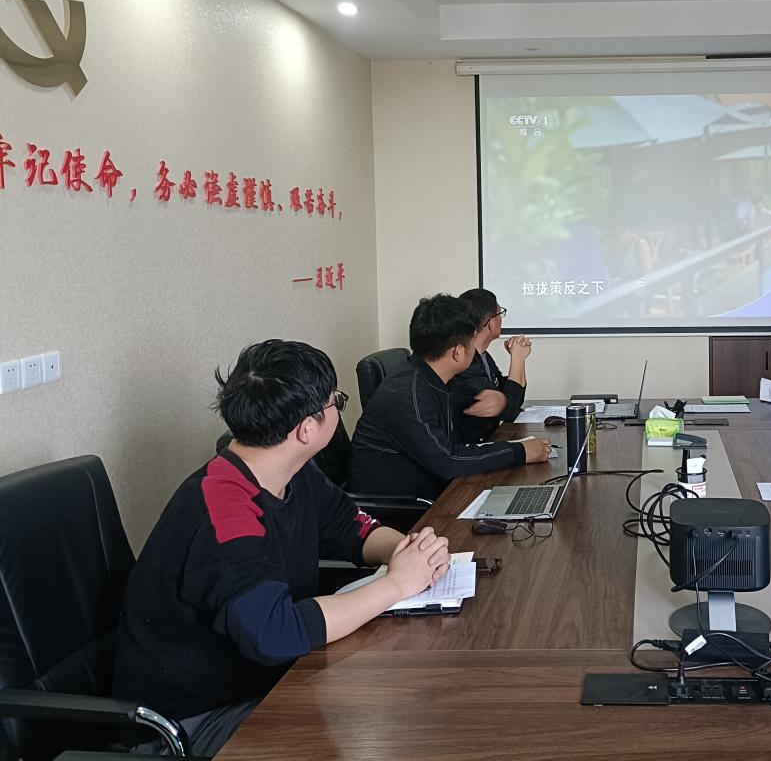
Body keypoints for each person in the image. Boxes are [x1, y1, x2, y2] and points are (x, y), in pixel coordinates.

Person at [112, 340, 452, 756]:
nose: (338, 409)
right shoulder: (223, 506)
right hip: (192, 721)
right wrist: (397, 585)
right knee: (386, 724)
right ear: (306, 429)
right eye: (336, 402)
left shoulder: (289, 471)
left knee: (404, 703)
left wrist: (409, 552)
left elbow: (350, 528)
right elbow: (273, 633)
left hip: (266, 680)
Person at [349, 294, 551, 503]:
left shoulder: (430, 375)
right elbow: (448, 460)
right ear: (457, 353)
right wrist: (520, 452)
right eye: (472, 342)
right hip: (403, 508)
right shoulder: (410, 394)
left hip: (434, 486)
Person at [451, 288, 531, 443]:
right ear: (490, 322)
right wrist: (517, 358)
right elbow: (508, 411)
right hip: (475, 446)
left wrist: (519, 359)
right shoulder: (464, 363)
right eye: (500, 313)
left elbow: (512, 399)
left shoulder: (483, 355)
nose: (501, 319)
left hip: (490, 439)